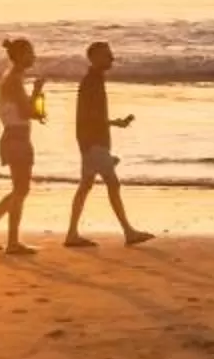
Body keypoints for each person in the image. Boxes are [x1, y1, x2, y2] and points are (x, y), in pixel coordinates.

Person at [64, 41, 153, 248]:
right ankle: (129, 232)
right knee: (112, 184)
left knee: (85, 186)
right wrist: (113, 123)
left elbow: (91, 116)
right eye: (107, 55)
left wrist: (114, 123)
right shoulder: (91, 81)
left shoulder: (94, 80)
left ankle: (71, 233)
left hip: (91, 142)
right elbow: (89, 116)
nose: (112, 58)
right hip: (94, 142)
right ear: (94, 58)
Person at [0, 38, 42, 255]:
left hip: (14, 136)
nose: (33, 57)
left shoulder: (10, 78)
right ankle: (11, 241)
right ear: (19, 56)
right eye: (29, 53)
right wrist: (38, 91)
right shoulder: (13, 80)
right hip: (17, 138)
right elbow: (26, 112)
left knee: (18, 189)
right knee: (21, 189)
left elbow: (22, 111)